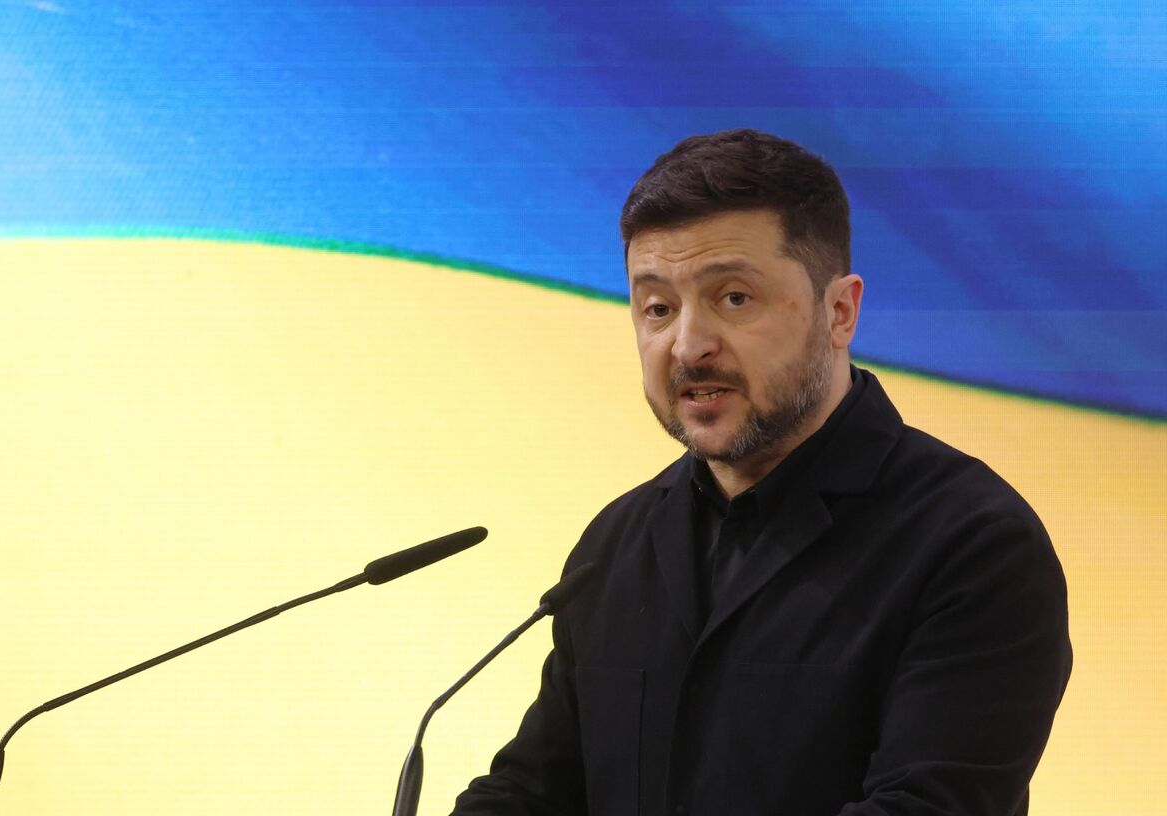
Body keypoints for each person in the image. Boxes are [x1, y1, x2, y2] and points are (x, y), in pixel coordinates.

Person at [452, 129, 1071, 816]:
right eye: (658, 309)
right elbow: (534, 791)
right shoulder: (615, 546)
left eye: (734, 298)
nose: (688, 346)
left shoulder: (971, 543)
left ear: (840, 312)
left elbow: (927, 805)